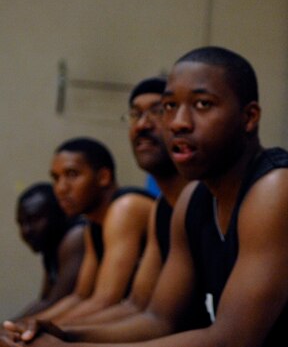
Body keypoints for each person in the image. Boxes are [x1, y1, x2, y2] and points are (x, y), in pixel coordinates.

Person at [19, 46, 288, 347]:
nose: (178, 122)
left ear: (249, 117)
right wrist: (64, 332)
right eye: (170, 106)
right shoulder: (193, 199)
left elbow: (231, 340)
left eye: (202, 104)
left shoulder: (278, 190)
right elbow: (157, 319)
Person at [34, 78, 210, 336]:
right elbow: (139, 308)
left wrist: (58, 335)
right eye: (135, 114)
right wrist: (36, 331)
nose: (142, 124)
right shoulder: (162, 209)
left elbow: (107, 302)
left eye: (159, 110)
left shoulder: (128, 207)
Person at [4, 137, 155, 332]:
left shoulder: (125, 208)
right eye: (56, 178)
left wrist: (34, 330)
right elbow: (80, 297)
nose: (61, 188)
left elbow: (104, 301)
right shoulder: (93, 224)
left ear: (103, 177)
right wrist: (19, 327)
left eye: (72, 174)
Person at [12, 183, 85, 319]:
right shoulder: (51, 244)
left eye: (33, 220)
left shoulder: (76, 237)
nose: (25, 230)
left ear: (59, 213)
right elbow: (45, 300)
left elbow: (56, 302)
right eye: (21, 223)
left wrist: (8, 327)